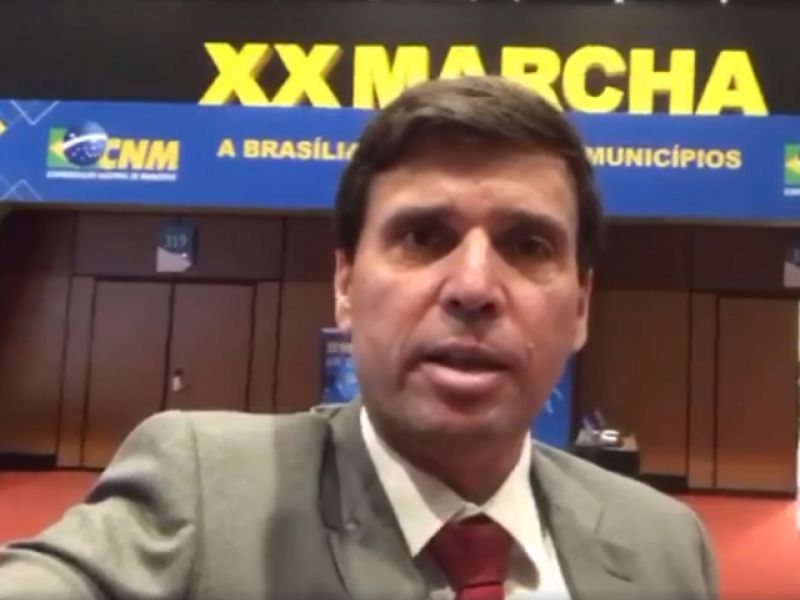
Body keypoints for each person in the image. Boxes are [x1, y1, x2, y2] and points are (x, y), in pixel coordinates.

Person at [0, 76, 717, 599]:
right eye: (423, 236)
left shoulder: (665, 546)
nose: (473, 286)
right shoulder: (202, 494)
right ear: (345, 283)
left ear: (581, 305)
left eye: (528, 245)